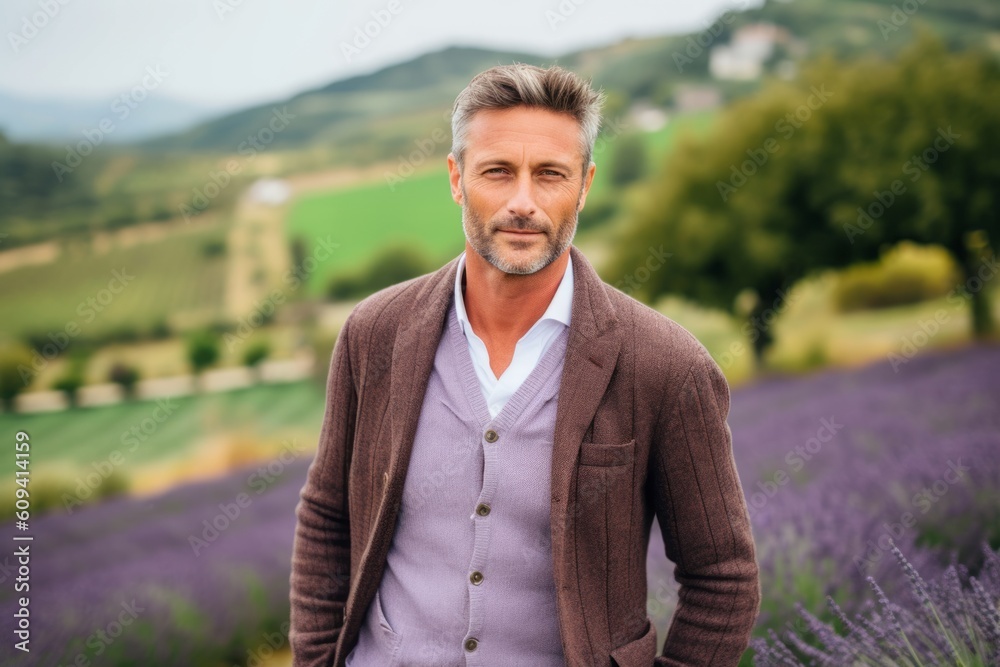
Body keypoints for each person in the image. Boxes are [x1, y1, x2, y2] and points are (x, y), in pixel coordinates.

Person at [289, 63, 761, 667]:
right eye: (497, 172)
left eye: (550, 175)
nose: (522, 203)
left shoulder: (665, 366)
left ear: (584, 185)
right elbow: (327, 516)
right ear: (457, 179)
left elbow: (723, 576)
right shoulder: (374, 334)